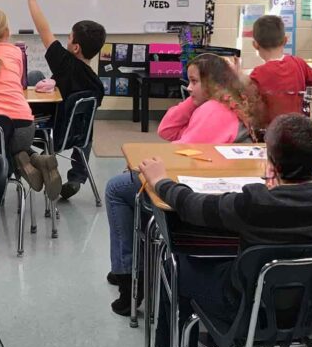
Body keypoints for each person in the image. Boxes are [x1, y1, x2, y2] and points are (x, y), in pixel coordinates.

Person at [140, 114, 312, 347]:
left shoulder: (255, 204)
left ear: (272, 163)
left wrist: (162, 182)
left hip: (244, 309)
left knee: (176, 263)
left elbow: (192, 205)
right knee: (247, 263)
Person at [103, 53, 261, 316]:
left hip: (196, 194)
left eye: (195, 82)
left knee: (117, 189)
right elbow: (167, 130)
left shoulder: (214, 111)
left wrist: (146, 164)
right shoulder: (225, 103)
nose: (188, 87)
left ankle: (129, 276)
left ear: (212, 84)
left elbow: (179, 153)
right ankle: (128, 265)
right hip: (210, 188)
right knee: (128, 188)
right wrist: (193, 99)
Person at [0, 6, 61, 199]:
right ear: (6, 32)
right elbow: (19, 85)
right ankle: (32, 158)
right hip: (25, 128)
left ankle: (22, 160)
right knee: (12, 145)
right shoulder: (16, 52)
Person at [25, 0, 107, 201]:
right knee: (86, 126)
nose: (66, 39)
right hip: (75, 135)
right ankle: (77, 177)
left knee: (32, 77)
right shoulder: (97, 86)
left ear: (76, 47)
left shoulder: (64, 64)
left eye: (69, 37)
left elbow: (43, 30)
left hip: (52, 132)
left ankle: (34, 159)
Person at [248, 14, 312, 125]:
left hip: (270, 134)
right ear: (285, 40)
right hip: (299, 129)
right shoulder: (299, 64)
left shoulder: (256, 74)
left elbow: (247, 104)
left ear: (255, 45)